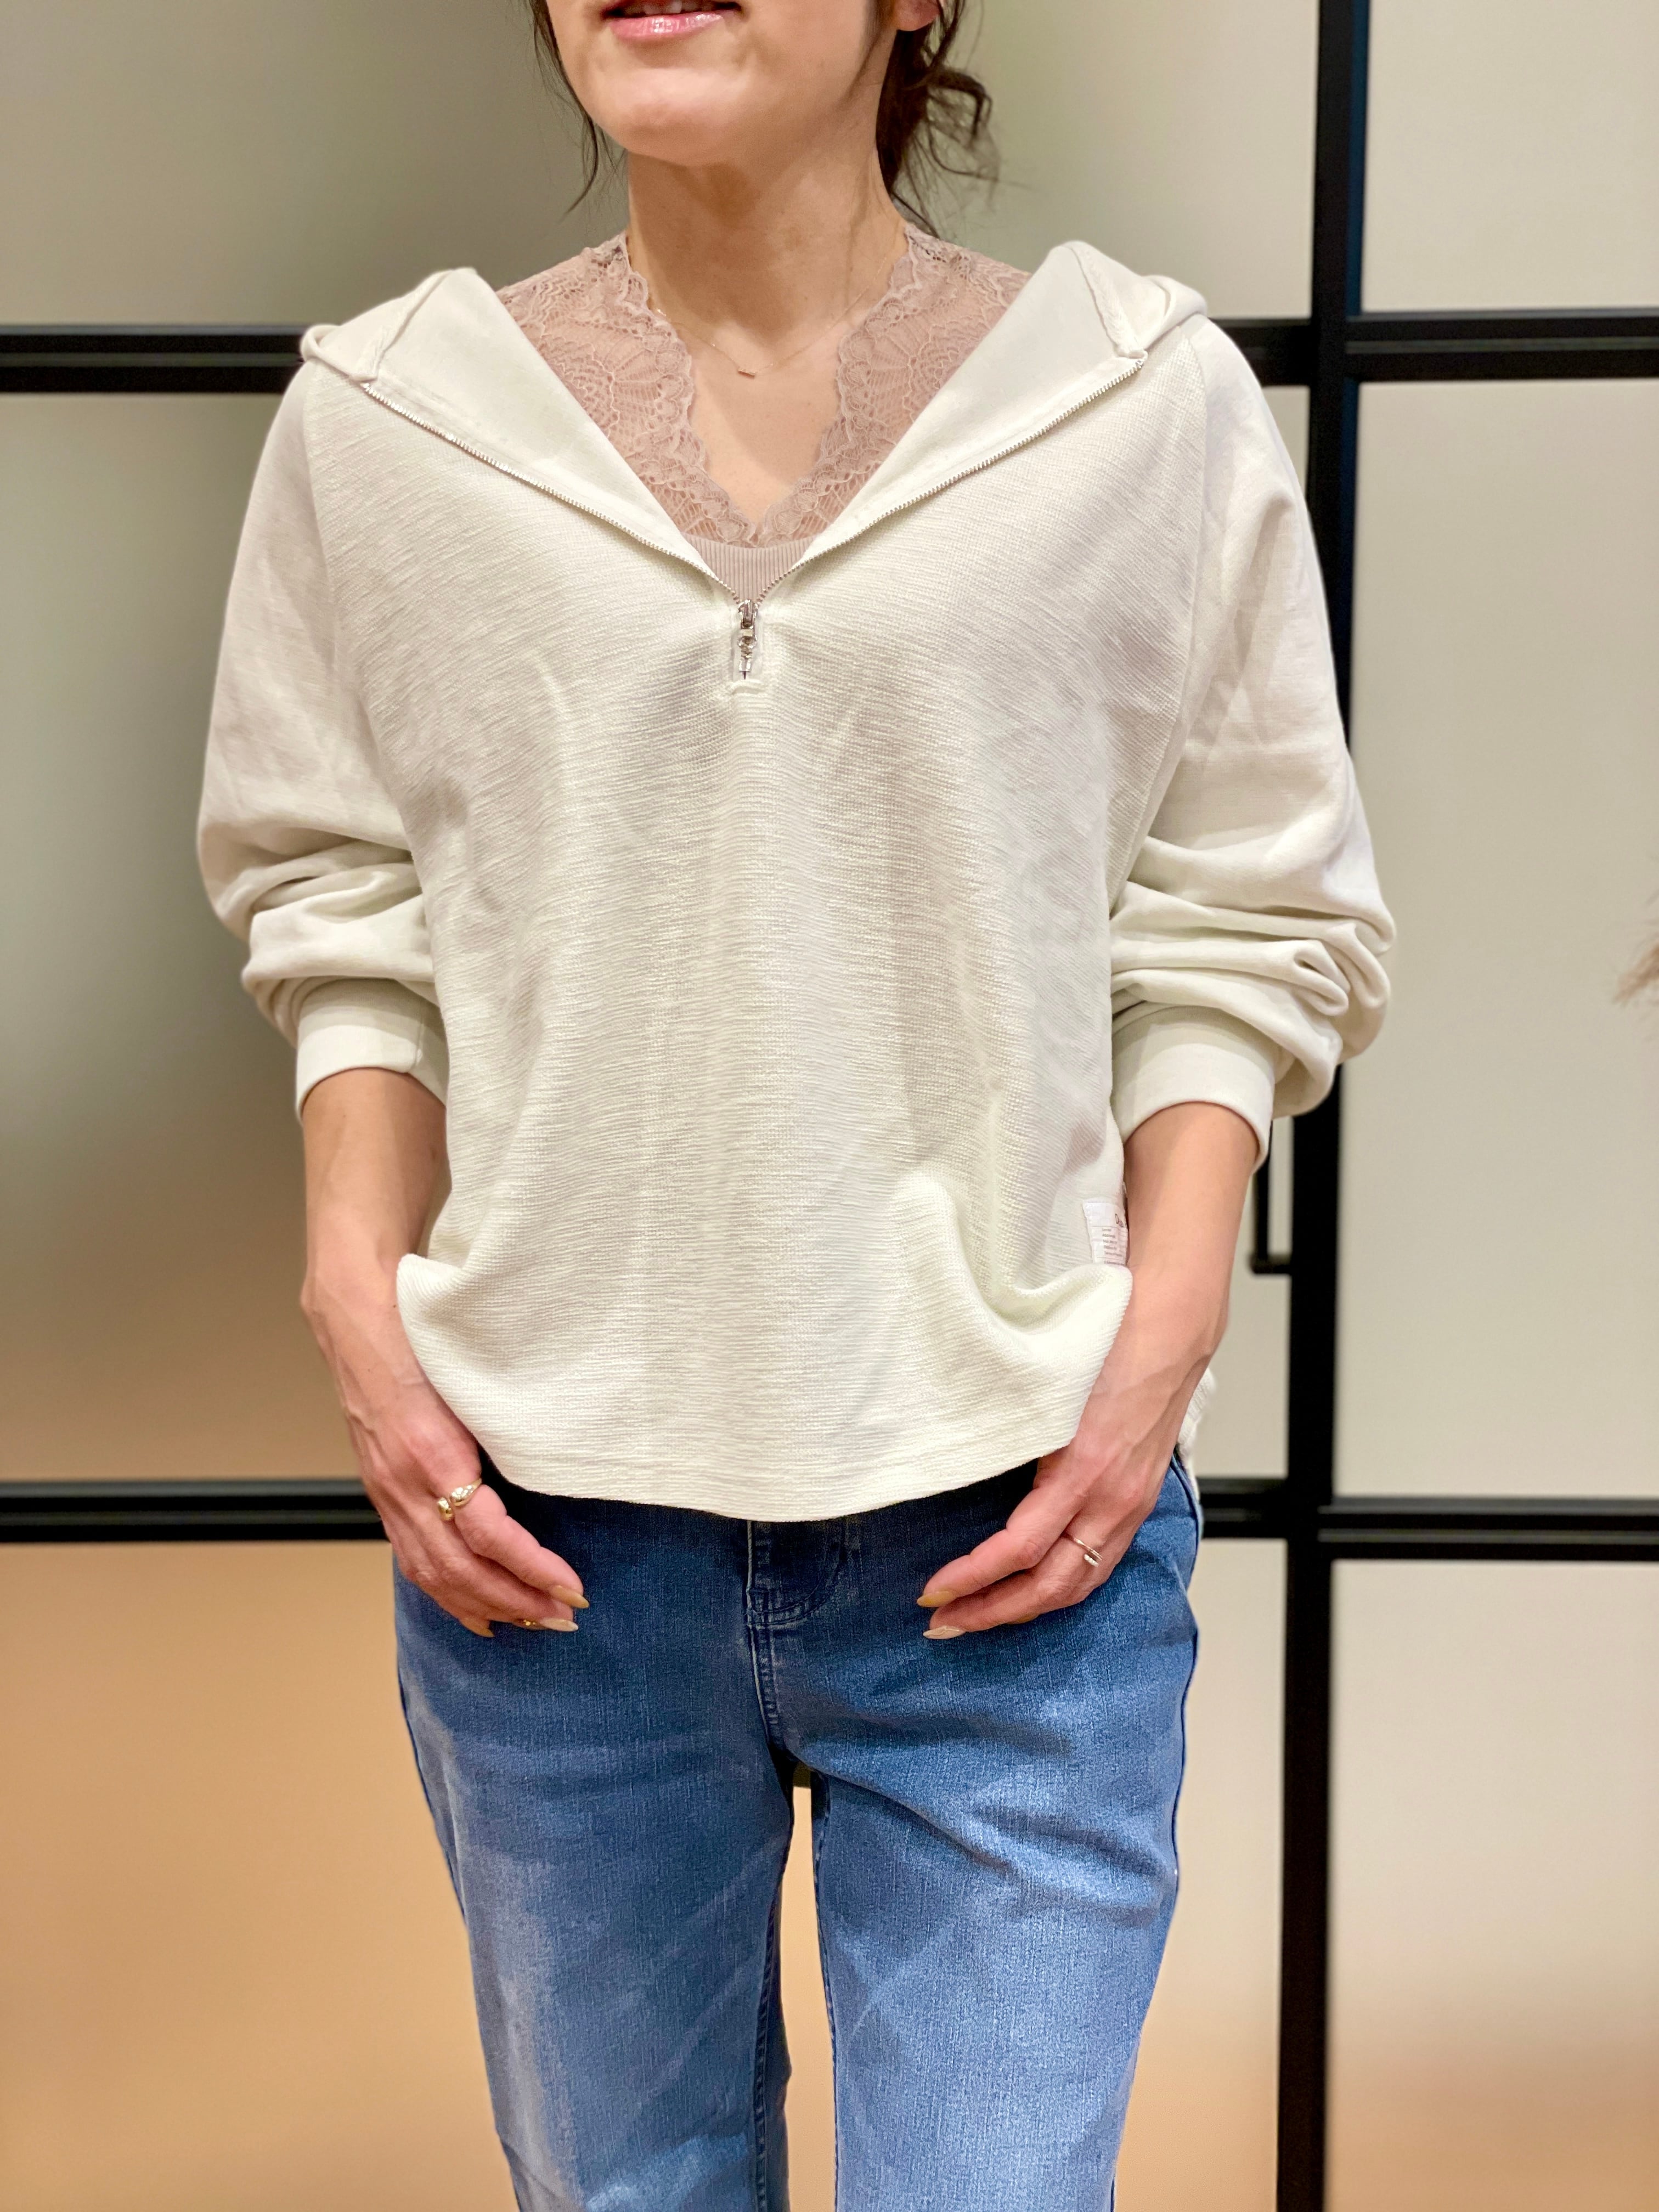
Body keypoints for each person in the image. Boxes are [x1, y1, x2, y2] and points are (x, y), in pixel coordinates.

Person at [199, 2, 1391, 2204]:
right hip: (548, 1544)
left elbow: (1244, 903)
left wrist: (1164, 1334)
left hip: (1019, 1526)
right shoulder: (388, 422)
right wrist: (357, 1290)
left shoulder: (1137, 402)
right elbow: (337, 893)